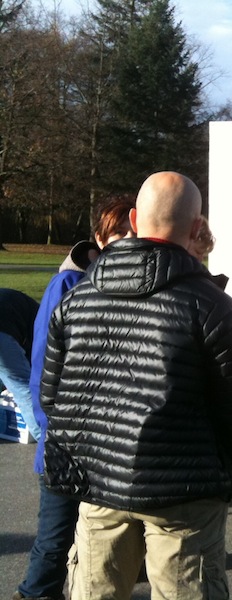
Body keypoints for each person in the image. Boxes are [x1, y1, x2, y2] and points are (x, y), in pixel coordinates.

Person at [40, 172, 232, 599]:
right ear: (197, 228)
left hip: (99, 485)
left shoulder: (77, 296)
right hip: (185, 494)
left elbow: (53, 396)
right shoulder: (210, 305)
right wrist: (229, 480)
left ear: (135, 220)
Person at [14, 193, 136, 600]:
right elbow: (43, 368)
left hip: (109, 444)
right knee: (54, 539)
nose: (123, 239)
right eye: (115, 232)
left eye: (129, 231)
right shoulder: (69, 282)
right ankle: (34, 594)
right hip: (67, 442)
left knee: (99, 543)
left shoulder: (133, 281)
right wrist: (56, 435)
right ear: (100, 238)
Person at [0, 289, 39, 441]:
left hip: (8, 324)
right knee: (23, 387)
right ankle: (48, 440)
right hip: (4, 331)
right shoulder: (44, 322)